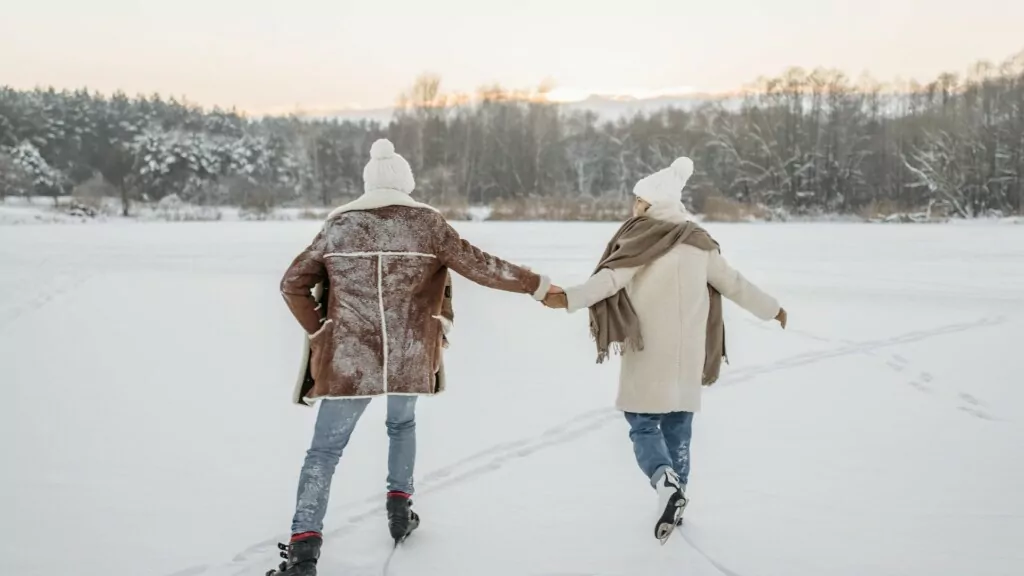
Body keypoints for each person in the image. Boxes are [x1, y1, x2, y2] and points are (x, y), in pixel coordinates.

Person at [271, 138, 561, 575]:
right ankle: (399, 510)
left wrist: (322, 331)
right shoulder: (427, 225)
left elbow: (292, 283)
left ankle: (303, 548)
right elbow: (481, 266)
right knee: (401, 424)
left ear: (368, 185)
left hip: (350, 360)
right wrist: (537, 284)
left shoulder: (340, 227)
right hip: (409, 356)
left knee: (324, 452)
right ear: (405, 185)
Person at [542, 156, 786, 542]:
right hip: (689, 353)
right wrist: (772, 309)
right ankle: (678, 498)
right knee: (678, 428)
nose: (633, 206)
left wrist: (568, 297)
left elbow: (608, 281)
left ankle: (664, 481)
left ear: (649, 203)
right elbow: (734, 283)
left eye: (637, 200)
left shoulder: (641, 240)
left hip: (649, 349)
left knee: (641, 422)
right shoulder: (700, 245)